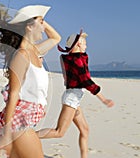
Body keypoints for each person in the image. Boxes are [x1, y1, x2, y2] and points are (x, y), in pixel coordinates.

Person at [0, 5, 61, 158]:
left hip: (26, 120)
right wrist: (6, 134)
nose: (43, 27)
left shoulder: (34, 51)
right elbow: (14, 94)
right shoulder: (21, 55)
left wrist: (39, 19)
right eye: (41, 23)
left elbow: (56, 38)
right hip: (19, 123)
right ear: (29, 27)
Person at [36, 29, 114, 158]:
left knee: (85, 130)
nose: (86, 46)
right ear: (78, 44)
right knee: (59, 132)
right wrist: (103, 99)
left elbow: (71, 74)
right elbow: (86, 81)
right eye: (84, 43)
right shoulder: (76, 60)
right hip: (71, 98)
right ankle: (24, 139)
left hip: (74, 98)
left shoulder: (69, 59)